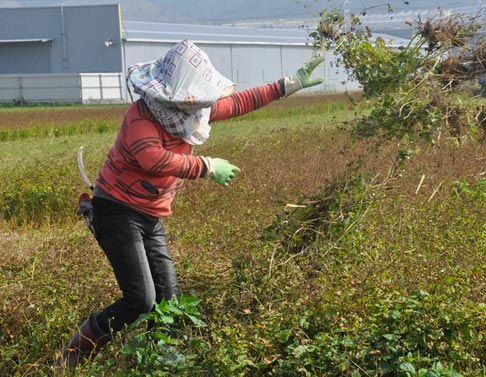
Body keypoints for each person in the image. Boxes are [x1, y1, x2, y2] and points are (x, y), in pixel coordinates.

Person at [58, 39, 324, 367]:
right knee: (141, 299)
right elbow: (152, 157)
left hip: (149, 213)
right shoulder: (141, 116)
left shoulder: (189, 113)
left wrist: (287, 84)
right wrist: (207, 166)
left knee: (169, 299)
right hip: (115, 209)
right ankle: (72, 355)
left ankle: (158, 361)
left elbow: (239, 102)